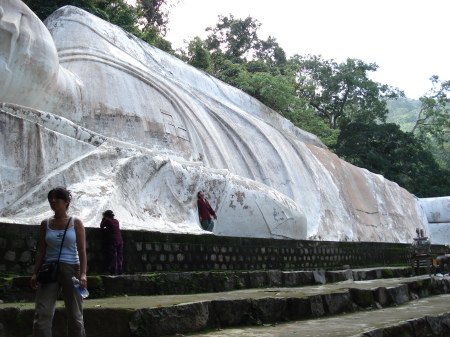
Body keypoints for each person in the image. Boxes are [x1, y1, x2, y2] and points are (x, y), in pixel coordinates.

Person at [30, 187, 87, 337]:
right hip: (49, 269)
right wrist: (35, 273)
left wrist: (83, 274)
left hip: (72, 269)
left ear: (67, 202)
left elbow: (82, 250)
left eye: (57, 198)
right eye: (51, 198)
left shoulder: (76, 222)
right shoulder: (46, 223)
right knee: (42, 313)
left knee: (75, 315)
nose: (53, 201)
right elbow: (41, 250)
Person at [100, 210, 123, 275]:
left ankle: (114, 273)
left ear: (106, 216)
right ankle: (120, 272)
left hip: (113, 241)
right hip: (120, 240)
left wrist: (103, 219)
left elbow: (101, 226)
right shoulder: (116, 221)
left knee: (113, 257)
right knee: (119, 257)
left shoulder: (107, 220)